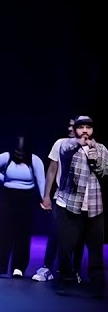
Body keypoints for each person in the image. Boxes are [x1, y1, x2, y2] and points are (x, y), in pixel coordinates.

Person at [48, 116, 106, 289]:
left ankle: (97, 284)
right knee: (66, 246)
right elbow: (64, 155)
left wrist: (95, 159)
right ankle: (65, 279)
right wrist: (79, 143)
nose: (85, 131)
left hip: (94, 206)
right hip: (72, 204)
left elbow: (104, 172)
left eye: (88, 127)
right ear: (75, 130)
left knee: (95, 249)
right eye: (81, 127)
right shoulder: (68, 147)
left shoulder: (102, 149)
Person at [0, 135, 46, 278]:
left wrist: (44, 199)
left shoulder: (35, 160)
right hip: (8, 196)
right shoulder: (6, 157)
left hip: (26, 197)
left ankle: (19, 267)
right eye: (17, 151)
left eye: (22, 152)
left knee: (23, 232)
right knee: (4, 230)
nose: (20, 154)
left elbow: (41, 181)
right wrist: (4, 179)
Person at [33, 119, 76, 282]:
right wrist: (46, 196)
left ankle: (70, 270)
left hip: (82, 200)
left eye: (74, 125)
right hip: (61, 196)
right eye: (69, 125)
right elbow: (52, 170)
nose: (69, 128)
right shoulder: (60, 144)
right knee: (55, 232)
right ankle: (47, 267)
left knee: (74, 238)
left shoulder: (92, 147)